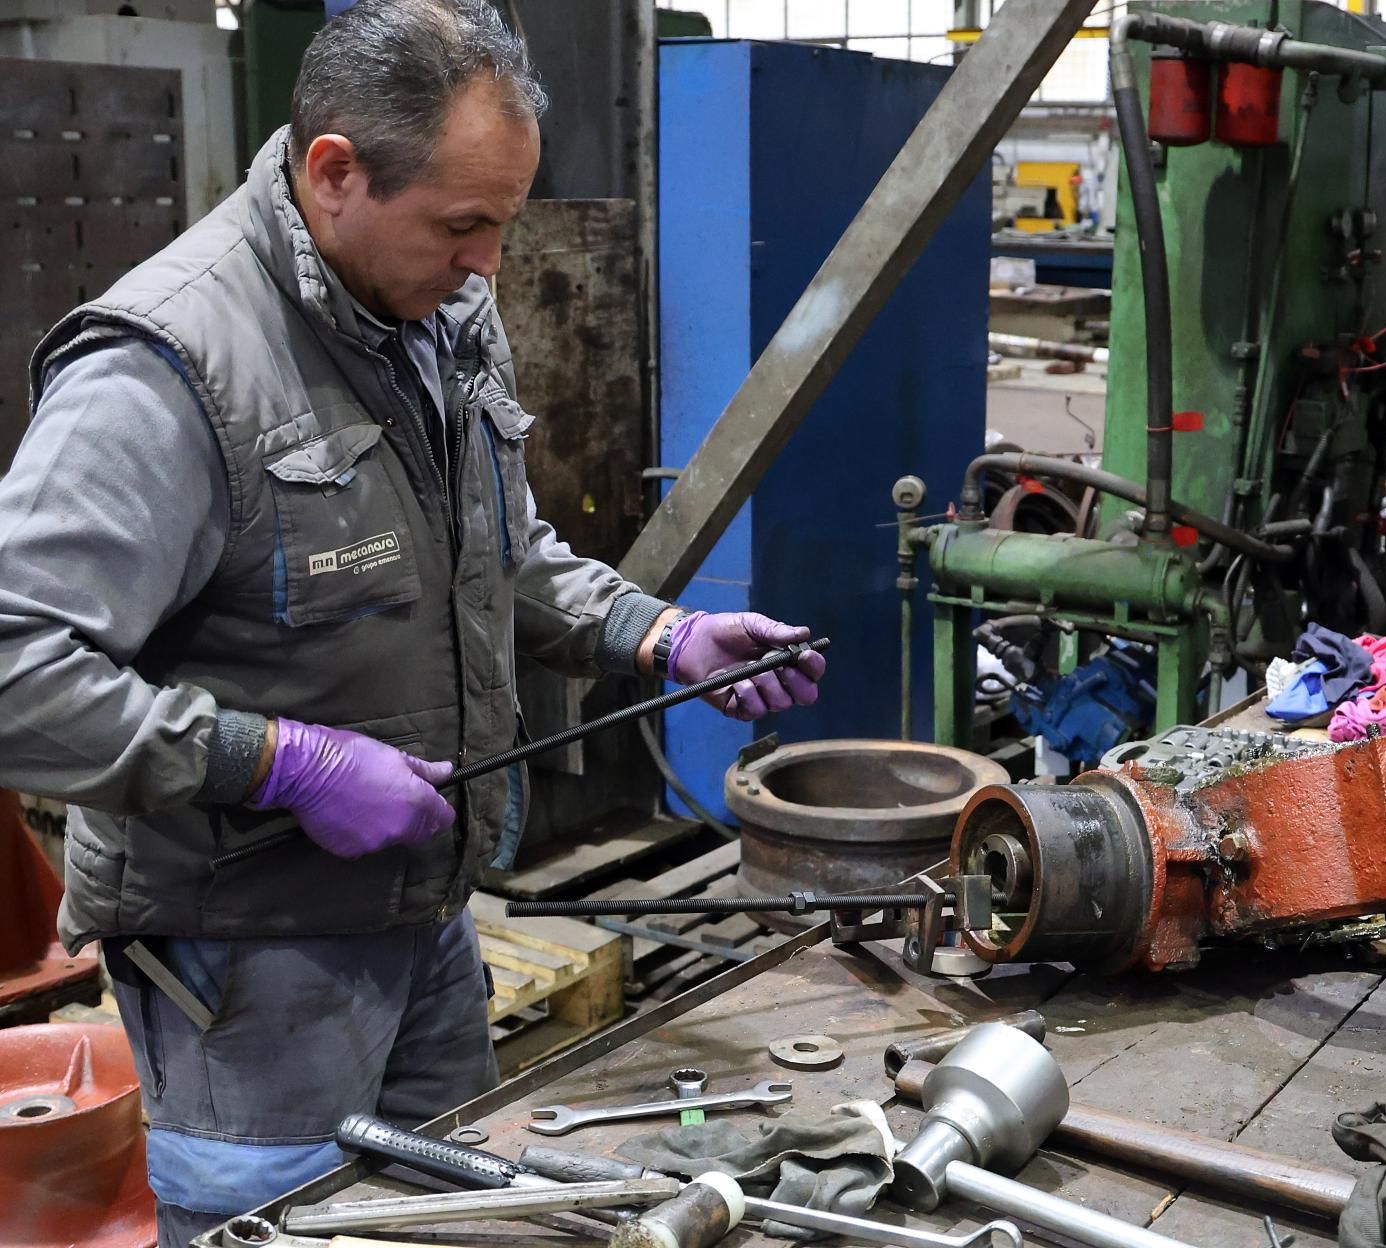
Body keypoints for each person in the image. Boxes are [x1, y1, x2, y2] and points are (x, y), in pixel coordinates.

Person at [0, 1, 825, 1240]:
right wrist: (284, 763)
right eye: (464, 224)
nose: (490, 261)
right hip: (247, 963)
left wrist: (653, 636)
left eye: (503, 219)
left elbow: (492, 554)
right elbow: (16, 669)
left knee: (459, 1223)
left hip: (427, 918)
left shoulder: (437, 314)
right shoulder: (167, 372)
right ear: (334, 174)